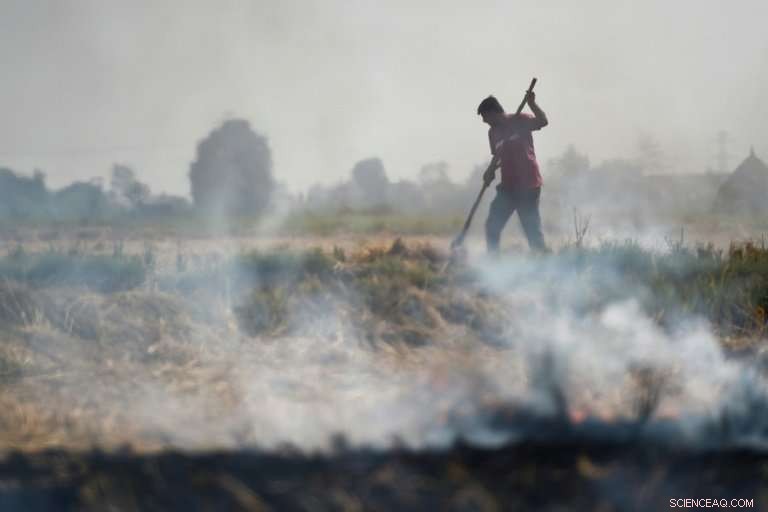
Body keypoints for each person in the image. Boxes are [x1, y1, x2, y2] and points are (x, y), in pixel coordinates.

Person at [477, 91, 549, 253]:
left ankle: (544, 264)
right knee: (492, 226)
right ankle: (493, 264)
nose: (484, 121)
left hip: (528, 185)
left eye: (485, 116)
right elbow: (498, 155)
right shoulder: (493, 133)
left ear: (494, 113)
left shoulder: (519, 120)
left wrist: (532, 103)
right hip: (508, 187)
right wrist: (490, 170)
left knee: (532, 231)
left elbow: (543, 121)